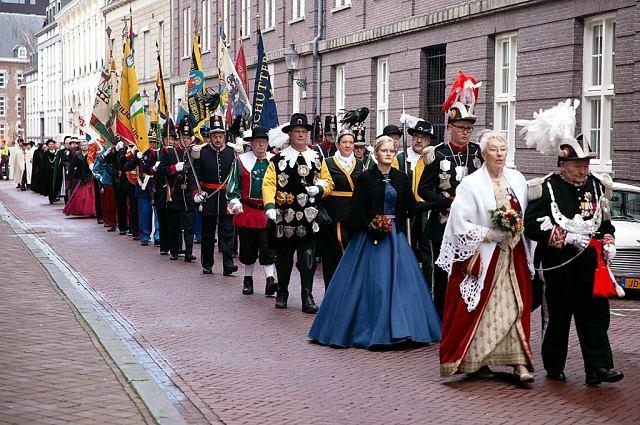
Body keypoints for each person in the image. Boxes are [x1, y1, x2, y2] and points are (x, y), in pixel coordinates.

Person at [520, 100, 623, 386]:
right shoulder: (546, 187)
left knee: (596, 317)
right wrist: (564, 236)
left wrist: (608, 240)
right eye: (577, 164)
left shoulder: (596, 185)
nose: (583, 169)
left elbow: (604, 220)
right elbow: (532, 225)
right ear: (563, 164)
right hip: (559, 265)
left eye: (586, 163)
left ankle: (600, 368)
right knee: (559, 319)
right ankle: (554, 365)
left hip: (591, 265)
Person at [308, 135, 441, 349]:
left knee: (401, 284)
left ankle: (404, 329)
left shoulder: (401, 178)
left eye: (391, 150)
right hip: (369, 238)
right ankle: (367, 329)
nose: (389, 153)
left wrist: (439, 202)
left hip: (395, 238)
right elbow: (356, 211)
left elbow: (411, 207)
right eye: (384, 150)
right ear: (376, 153)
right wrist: (371, 227)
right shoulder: (366, 178)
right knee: (373, 284)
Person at [437, 130, 533, 383]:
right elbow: (458, 222)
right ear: (483, 153)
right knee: (483, 307)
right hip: (485, 254)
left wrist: (516, 228)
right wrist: (488, 234)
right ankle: (479, 359)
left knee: (516, 306)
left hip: (514, 255)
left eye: (503, 149)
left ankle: (519, 363)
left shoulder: (518, 179)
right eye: (493, 149)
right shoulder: (471, 184)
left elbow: (525, 211)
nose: (499, 154)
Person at [417, 71, 483, 318]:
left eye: (469, 128)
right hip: (443, 222)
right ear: (450, 127)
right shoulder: (437, 154)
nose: (466, 133)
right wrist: (446, 201)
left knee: (470, 268)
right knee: (443, 273)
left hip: (471, 223)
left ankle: (465, 312)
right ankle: (440, 314)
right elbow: (423, 189)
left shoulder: (478, 153)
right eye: (461, 128)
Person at [262, 113, 322, 314]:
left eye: (303, 132)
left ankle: (307, 295)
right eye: (297, 131)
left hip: (308, 215)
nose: (301, 135)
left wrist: (321, 188)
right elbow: (269, 183)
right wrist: (269, 205)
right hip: (284, 214)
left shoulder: (317, 158)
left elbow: (327, 180)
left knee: (308, 257)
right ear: (290, 134)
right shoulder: (278, 159)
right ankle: (282, 292)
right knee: (284, 257)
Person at [226, 126, 277, 295]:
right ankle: (248, 279)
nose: (261, 145)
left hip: (267, 211)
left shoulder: (275, 161)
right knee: (248, 247)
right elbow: (233, 185)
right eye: (257, 142)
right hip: (247, 210)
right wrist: (234, 201)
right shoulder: (241, 161)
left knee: (268, 246)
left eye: (264, 142)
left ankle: (270, 280)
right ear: (252, 143)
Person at [313, 129, 364, 287]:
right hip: (333, 214)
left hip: (354, 214)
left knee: (352, 253)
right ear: (338, 144)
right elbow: (325, 184)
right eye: (344, 142)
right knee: (333, 255)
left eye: (351, 142)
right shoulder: (327, 162)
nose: (348, 145)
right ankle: (331, 292)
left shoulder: (361, 164)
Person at [192, 114, 237, 274]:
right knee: (208, 233)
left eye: (220, 136)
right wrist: (197, 192)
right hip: (208, 197)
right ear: (209, 137)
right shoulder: (202, 152)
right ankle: (207, 263)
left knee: (227, 232)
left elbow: (236, 177)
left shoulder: (232, 153)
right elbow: (195, 176)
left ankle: (228, 264)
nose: (218, 139)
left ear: (224, 135)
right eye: (215, 136)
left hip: (226, 197)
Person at [397, 120, 435, 282]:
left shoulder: (434, 159)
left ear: (429, 140)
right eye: (416, 136)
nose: (419, 140)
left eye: (424, 137)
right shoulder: (400, 158)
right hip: (406, 211)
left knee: (428, 250)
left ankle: (428, 288)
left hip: (426, 210)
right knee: (405, 247)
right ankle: (406, 283)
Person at [158, 120, 196, 262]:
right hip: (175, 192)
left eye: (188, 138)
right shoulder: (170, 152)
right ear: (179, 137)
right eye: (183, 138)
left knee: (189, 225)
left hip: (188, 194)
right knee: (174, 224)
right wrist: (174, 168)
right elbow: (161, 170)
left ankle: (189, 252)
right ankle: (174, 250)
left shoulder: (194, 152)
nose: (185, 140)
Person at [63, 139, 96, 216]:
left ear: (88, 146)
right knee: (78, 194)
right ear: (80, 146)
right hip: (79, 176)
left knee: (91, 194)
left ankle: (92, 210)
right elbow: (72, 166)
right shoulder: (77, 155)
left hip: (90, 175)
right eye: (83, 145)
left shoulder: (91, 154)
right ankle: (79, 210)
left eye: (86, 145)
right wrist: (69, 177)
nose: (84, 146)